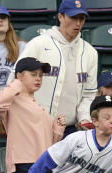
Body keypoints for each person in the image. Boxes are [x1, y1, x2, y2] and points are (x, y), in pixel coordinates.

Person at [0, 57, 66, 173]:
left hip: (42, 166)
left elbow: (49, 144)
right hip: (23, 167)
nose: (38, 79)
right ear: (19, 76)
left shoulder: (37, 104)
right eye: (33, 74)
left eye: (40, 75)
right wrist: (17, 84)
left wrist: (57, 130)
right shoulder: (12, 98)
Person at [17, 0, 98, 132]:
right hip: (35, 125)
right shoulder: (39, 44)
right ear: (60, 17)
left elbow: (89, 94)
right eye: (73, 17)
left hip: (70, 128)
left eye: (81, 19)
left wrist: (84, 118)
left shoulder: (90, 52)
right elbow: (16, 79)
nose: (78, 23)